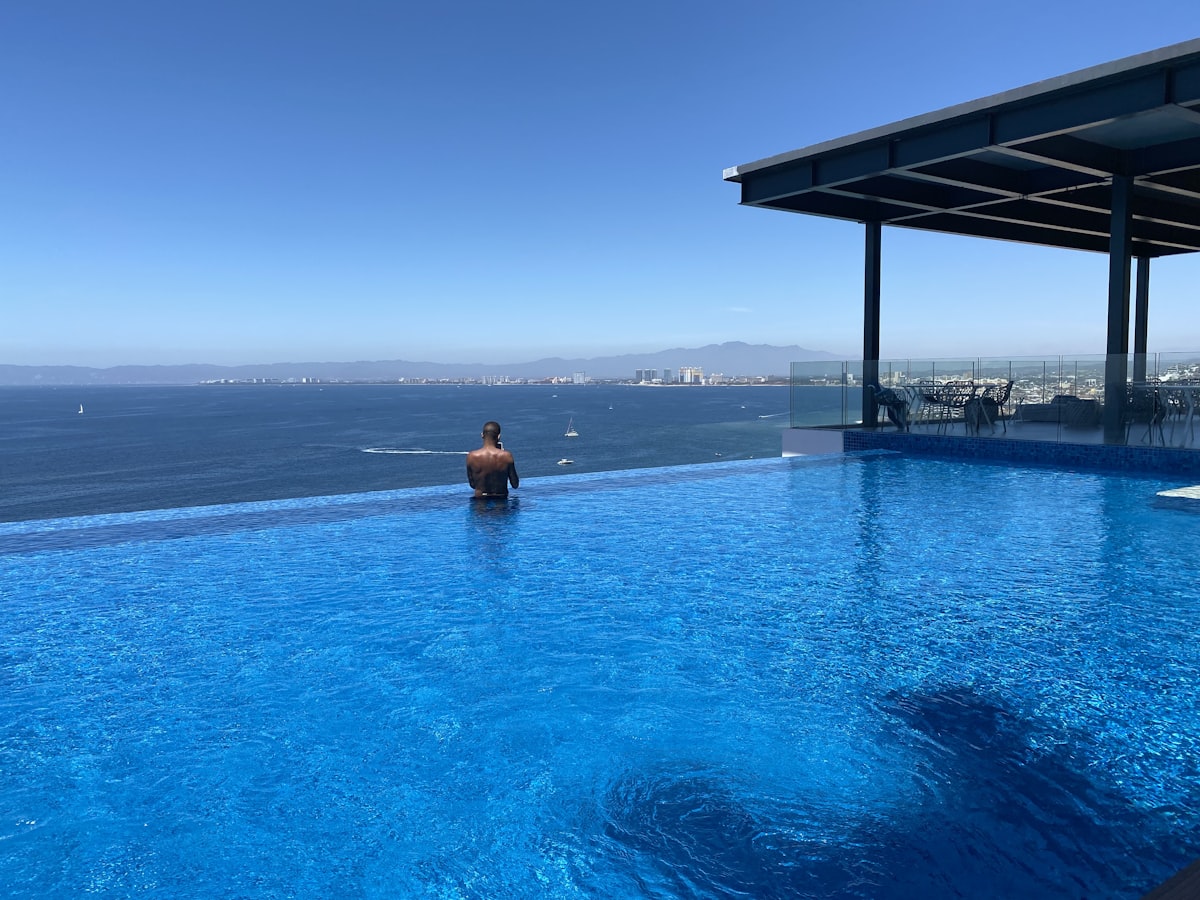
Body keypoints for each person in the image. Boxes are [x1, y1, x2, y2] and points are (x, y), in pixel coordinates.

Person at [466, 421, 519, 498]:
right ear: (499, 437)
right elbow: (515, 484)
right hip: (501, 498)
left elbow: (472, 485)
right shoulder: (506, 456)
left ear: (482, 435)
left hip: (480, 499)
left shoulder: (471, 456)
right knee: (500, 506)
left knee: (480, 505)